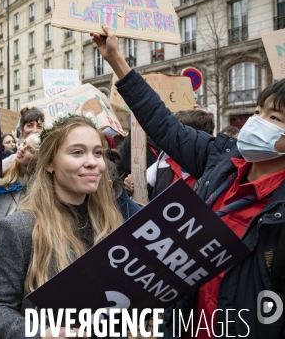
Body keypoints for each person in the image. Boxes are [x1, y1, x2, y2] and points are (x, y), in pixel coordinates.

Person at [93, 24, 285, 338]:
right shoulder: (220, 158)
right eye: (258, 111)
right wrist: (116, 61)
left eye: (274, 118)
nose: (257, 122)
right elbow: (162, 122)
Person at [0, 114, 139, 338]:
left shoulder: (114, 223)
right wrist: (41, 335)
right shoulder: (19, 228)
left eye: (97, 152)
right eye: (77, 152)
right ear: (49, 163)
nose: (92, 162)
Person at [144, 109, 215, 199]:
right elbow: (144, 186)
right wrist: (132, 185)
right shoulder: (165, 160)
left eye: (179, 135)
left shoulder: (217, 171)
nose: (173, 139)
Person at [0, 133, 39, 233]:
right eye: (23, 143)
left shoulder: (42, 185)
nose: (22, 149)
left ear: (39, 158)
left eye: (29, 149)